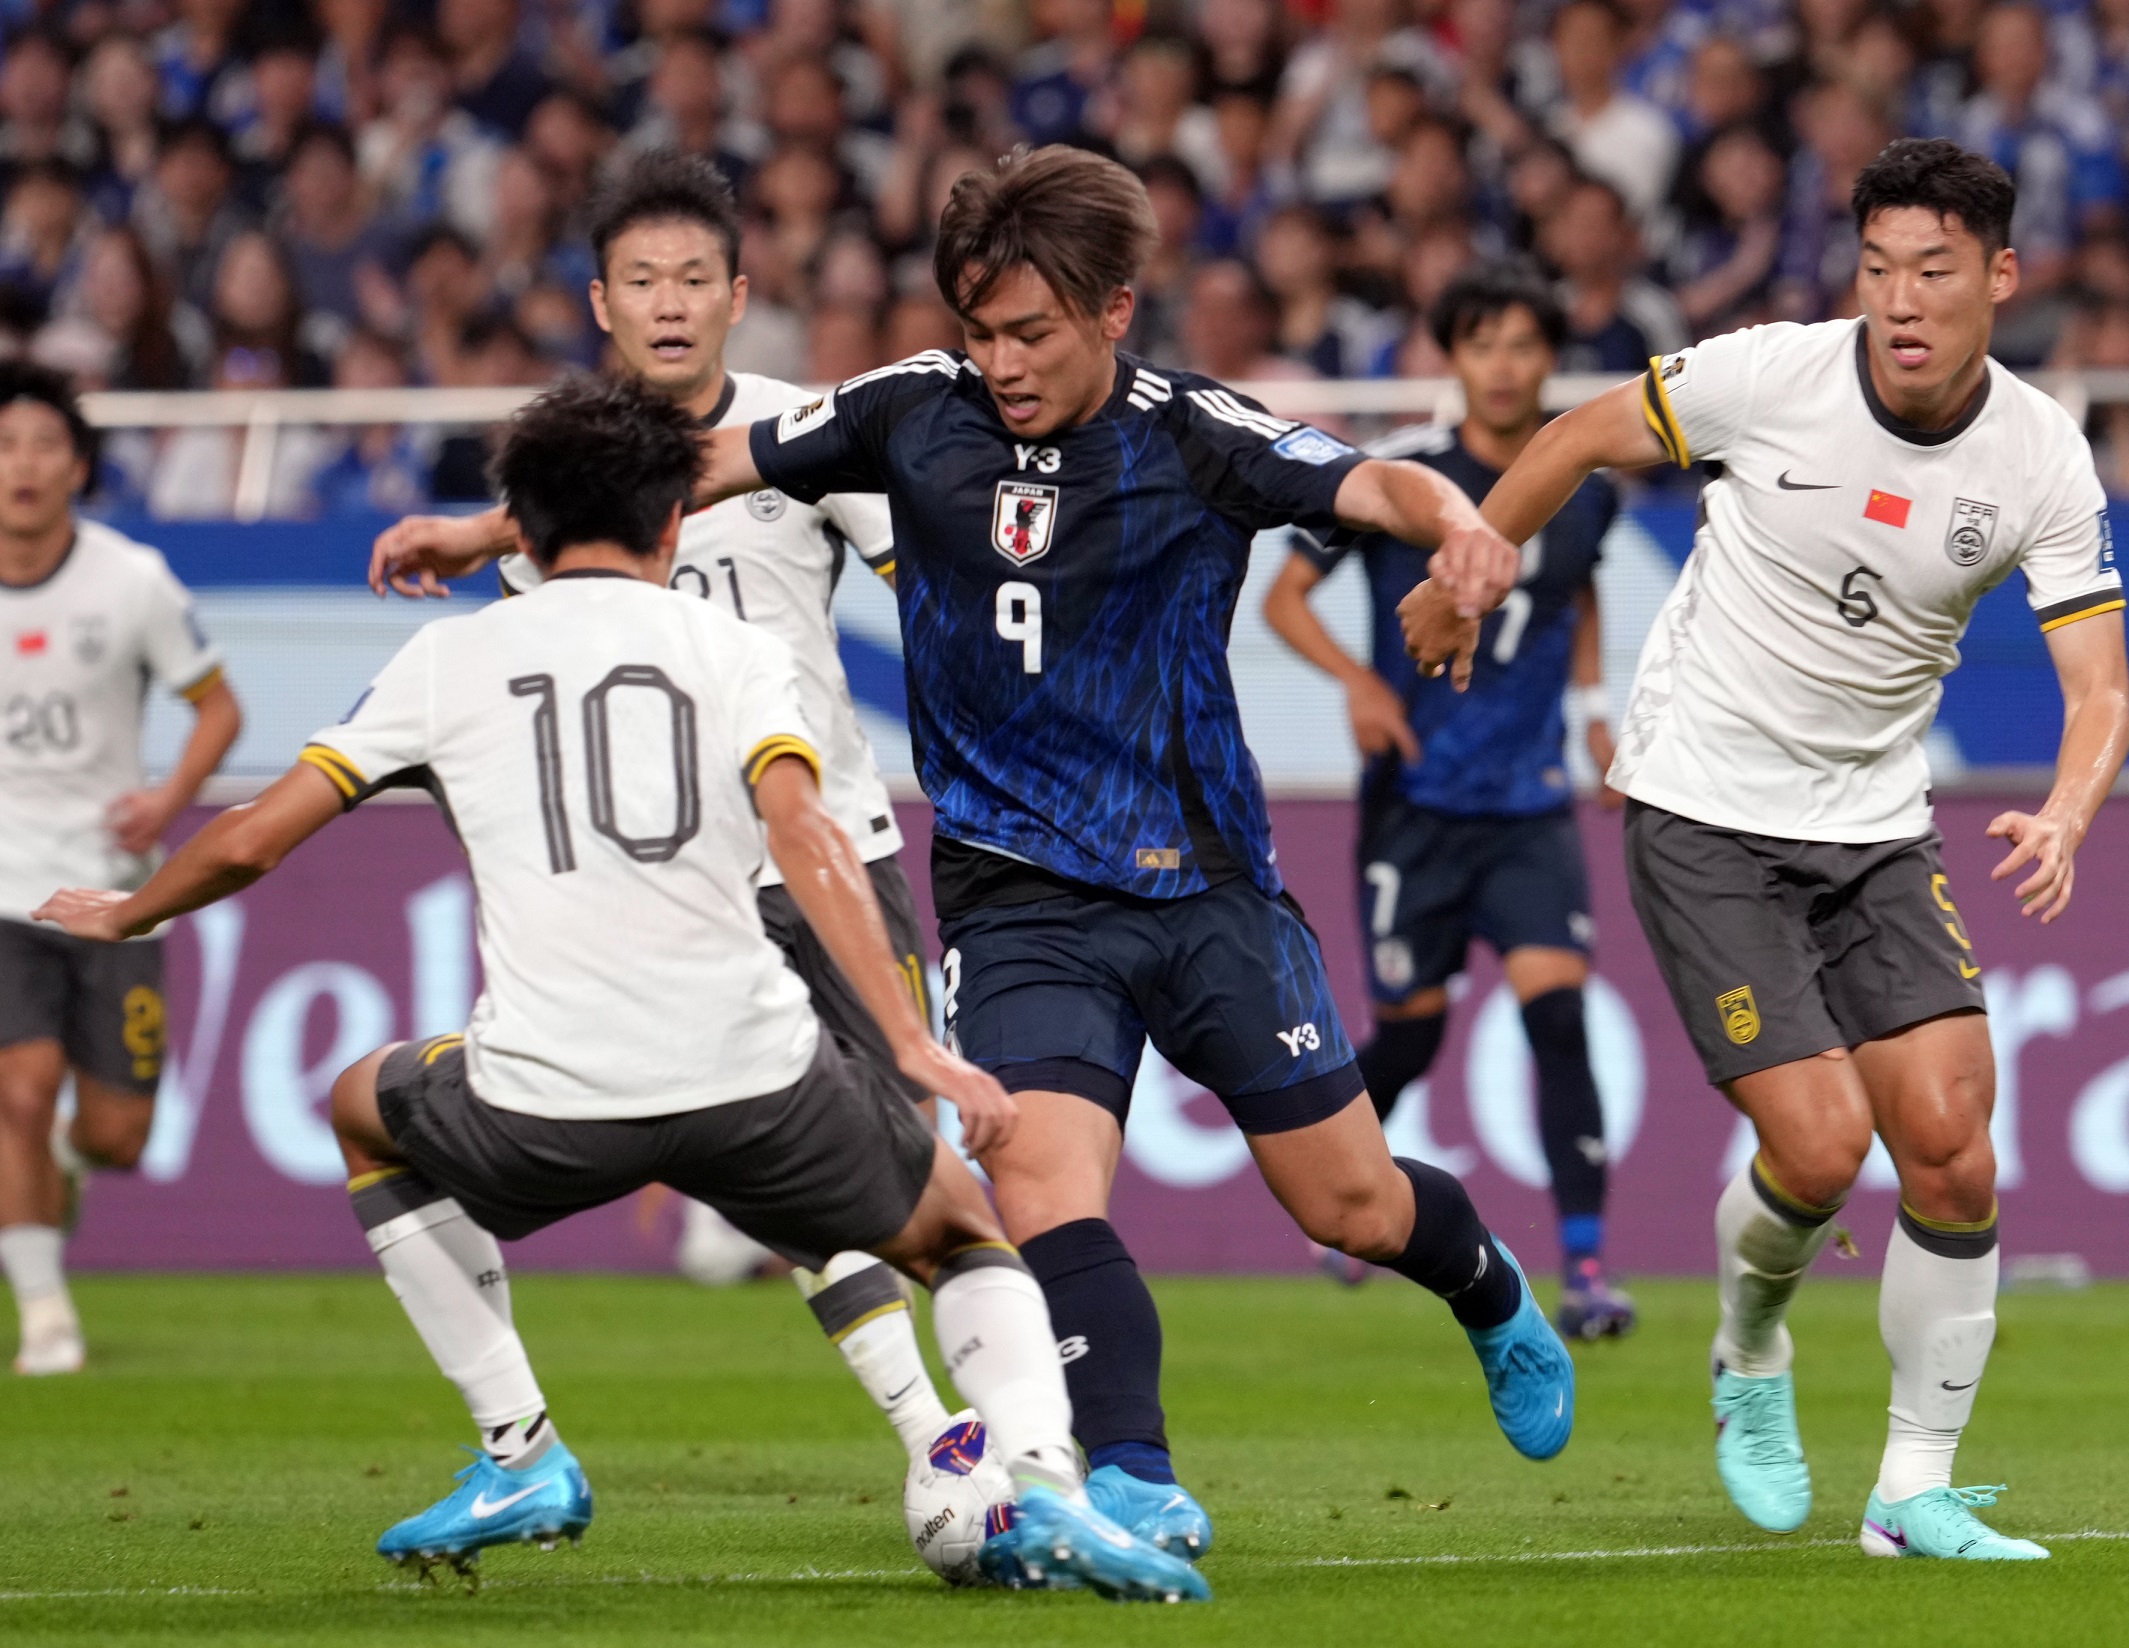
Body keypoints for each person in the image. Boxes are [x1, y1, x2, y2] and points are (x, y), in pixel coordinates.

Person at [33, 374, 1206, 1604]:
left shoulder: (446, 659)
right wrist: (912, 1043)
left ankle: (519, 1448)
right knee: (964, 1234)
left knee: (357, 1102)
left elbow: (254, 838)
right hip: (758, 1081)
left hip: (545, 1096)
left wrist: (130, 906)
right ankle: (1048, 1482)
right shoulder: (734, 650)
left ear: (522, 539)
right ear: (669, 527)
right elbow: (806, 841)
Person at [686, 144, 1569, 1565]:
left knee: (1345, 1203)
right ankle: (1135, 1480)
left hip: (1203, 881)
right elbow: (700, 462)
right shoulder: (912, 411)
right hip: (1013, 889)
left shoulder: (1193, 434)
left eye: (1028, 332)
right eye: (979, 332)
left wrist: (1463, 526)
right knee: (1036, 1192)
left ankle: (1484, 1290)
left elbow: (1376, 486)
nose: (1000, 361)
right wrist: (506, 523)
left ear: (1111, 308)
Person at [1402, 138, 2129, 1562]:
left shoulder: (2039, 450)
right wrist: (1470, 567)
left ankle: (1907, 1491)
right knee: (1817, 1141)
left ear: (1999, 277)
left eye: (1931, 270)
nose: (1901, 300)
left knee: (1950, 1152)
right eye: (1875, 270)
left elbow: (2097, 689)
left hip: (1869, 818)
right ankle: (1747, 1352)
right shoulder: (1766, 377)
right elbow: (1564, 442)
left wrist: (2062, 810)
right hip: (1700, 803)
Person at [369, 151, 974, 1484]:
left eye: (694, 279)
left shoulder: (809, 431)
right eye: (641, 279)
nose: (668, 302)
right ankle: (948, 1446)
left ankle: (986, 1440)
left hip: (835, 847)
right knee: (819, 1176)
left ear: (737, 295)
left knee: (905, 1176)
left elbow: (921, 574)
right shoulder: (562, 470)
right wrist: (490, 535)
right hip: (676, 880)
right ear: (598, 301)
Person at [1262, 260, 1635, 1341]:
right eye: (1483, 345)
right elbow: (1284, 597)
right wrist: (1360, 683)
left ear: (1544, 358)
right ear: (1452, 358)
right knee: (1410, 1039)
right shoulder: (1407, 483)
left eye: (1523, 346)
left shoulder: (1580, 487)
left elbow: (1576, 593)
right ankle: (1340, 1204)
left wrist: (1595, 711)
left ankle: (1585, 1267)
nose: (1505, 367)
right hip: (1416, 806)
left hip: (1526, 808)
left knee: (1556, 1016)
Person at [0, 360, 243, 1376]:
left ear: (79, 467)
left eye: (45, 446)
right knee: (19, 1090)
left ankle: (65, 1166)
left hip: (109, 888)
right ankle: (47, 1315)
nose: (23, 464)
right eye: (7, 444)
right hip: (6, 886)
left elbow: (218, 706)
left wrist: (166, 795)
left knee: (115, 1134)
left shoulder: (131, 578)